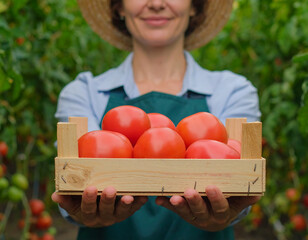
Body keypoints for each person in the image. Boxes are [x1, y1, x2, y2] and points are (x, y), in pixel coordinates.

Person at [52, 0, 261, 239]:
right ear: (119, 6)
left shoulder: (233, 91)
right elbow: (79, 178)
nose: (156, 3)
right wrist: (81, 212)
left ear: (195, 6)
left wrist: (228, 212)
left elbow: (237, 183)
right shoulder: (84, 92)